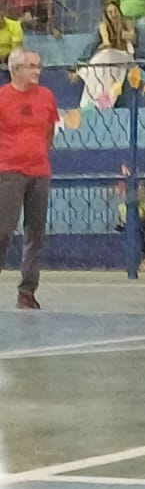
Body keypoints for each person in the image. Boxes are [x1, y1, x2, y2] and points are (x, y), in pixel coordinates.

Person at [0, 48, 58, 309]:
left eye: (38, 65)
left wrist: (37, 154)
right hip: (8, 171)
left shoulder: (46, 97)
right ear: (16, 70)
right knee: (3, 230)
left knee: (35, 233)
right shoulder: (2, 98)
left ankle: (27, 291)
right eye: (32, 66)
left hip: (39, 172)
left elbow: (49, 131)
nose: (38, 71)